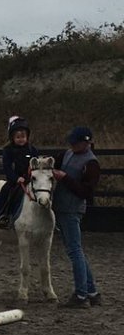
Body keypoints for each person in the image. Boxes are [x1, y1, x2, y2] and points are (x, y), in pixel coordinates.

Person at [53, 126, 101, 309]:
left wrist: (64, 178)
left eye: (75, 142)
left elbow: (86, 192)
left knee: (74, 251)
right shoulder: (67, 154)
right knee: (75, 250)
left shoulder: (91, 163)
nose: (71, 145)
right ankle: (92, 292)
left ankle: (81, 294)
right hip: (62, 207)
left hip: (72, 209)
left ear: (85, 143)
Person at [0, 116, 39, 229]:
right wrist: (16, 178)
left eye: (23, 137)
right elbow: (7, 167)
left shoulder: (32, 150)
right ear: (12, 137)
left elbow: (36, 164)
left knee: (44, 191)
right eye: (18, 137)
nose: (21, 139)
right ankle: (4, 215)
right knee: (6, 190)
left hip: (30, 178)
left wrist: (32, 175)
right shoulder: (8, 150)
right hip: (15, 180)